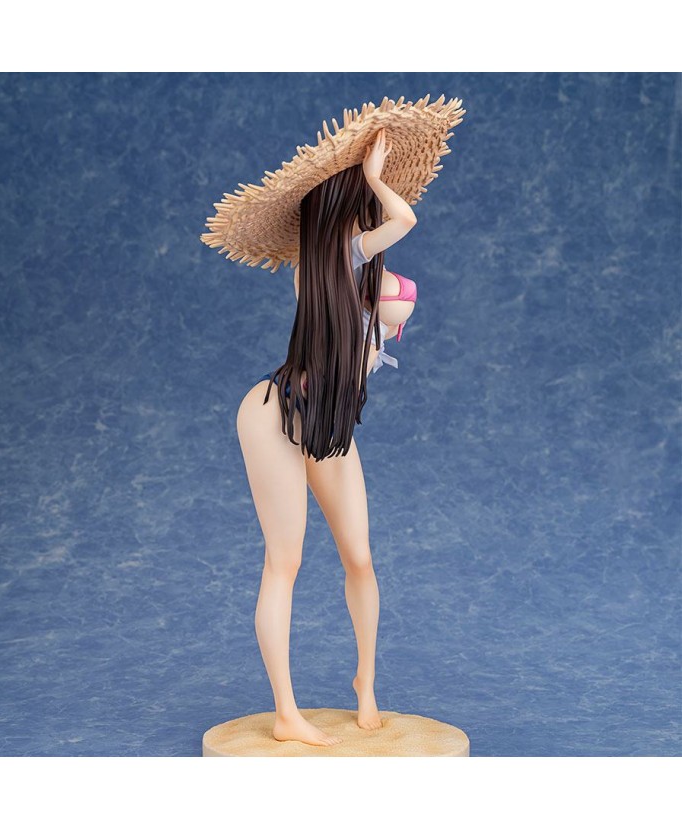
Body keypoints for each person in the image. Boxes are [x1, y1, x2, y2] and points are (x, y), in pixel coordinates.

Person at [201, 95, 465, 747]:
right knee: (284, 562)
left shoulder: (358, 272)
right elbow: (404, 218)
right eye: (360, 197)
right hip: (279, 413)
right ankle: (286, 712)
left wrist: (371, 185)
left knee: (361, 558)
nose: (369, 206)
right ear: (343, 207)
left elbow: (388, 288)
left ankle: (365, 684)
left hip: (328, 423)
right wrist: (375, 176)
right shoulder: (332, 262)